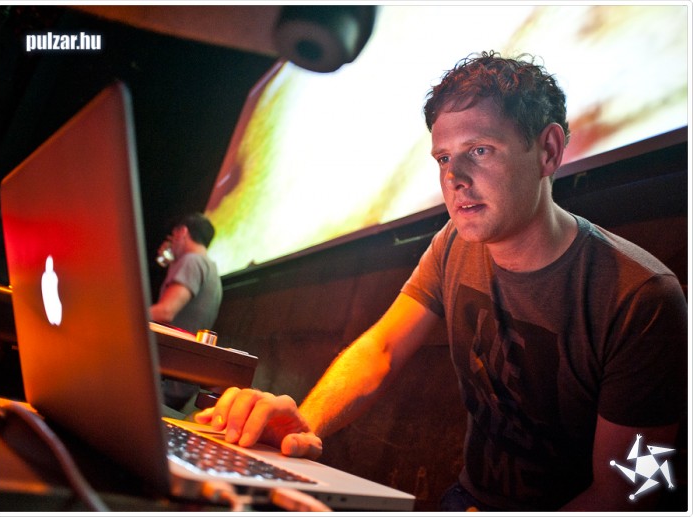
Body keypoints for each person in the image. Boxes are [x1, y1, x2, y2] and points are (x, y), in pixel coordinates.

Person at [193, 51, 687, 511]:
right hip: (468, 497)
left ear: (549, 151)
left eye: (480, 150)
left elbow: (637, 490)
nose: (455, 178)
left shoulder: (642, 297)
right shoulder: (454, 242)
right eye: (444, 158)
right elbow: (382, 350)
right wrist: (305, 424)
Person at [151, 212, 223, 410]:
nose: (171, 242)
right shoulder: (210, 268)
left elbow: (166, 312)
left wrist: (123, 317)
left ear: (182, 232)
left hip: (164, 378)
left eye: (172, 237)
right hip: (181, 380)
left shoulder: (191, 261)